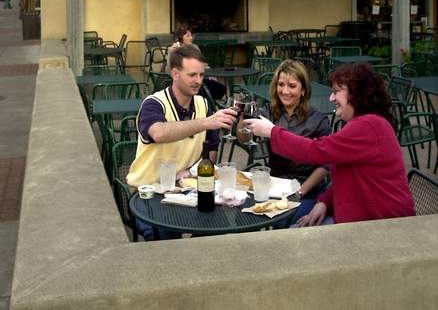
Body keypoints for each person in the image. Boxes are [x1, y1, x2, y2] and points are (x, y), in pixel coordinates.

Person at [243, 62, 415, 226]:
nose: (331, 98)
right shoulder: (362, 124)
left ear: (355, 93)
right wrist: (324, 202)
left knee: (291, 237)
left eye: (336, 91)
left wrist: (271, 131)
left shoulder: (369, 126)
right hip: (358, 219)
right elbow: (345, 173)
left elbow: (316, 151)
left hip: (384, 227)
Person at [127, 44, 236, 238]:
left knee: (220, 223)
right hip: (148, 194)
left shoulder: (202, 104)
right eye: (192, 75)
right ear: (175, 74)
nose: (198, 81)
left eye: (201, 75)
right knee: (167, 234)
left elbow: (210, 150)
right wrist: (205, 122)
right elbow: (159, 133)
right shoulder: (153, 103)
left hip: (185, 190)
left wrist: (194, 172)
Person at [251, 59, 331, 222]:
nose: (285, 91)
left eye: (292, 86)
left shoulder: (317, 119)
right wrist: (241, 120)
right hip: (275, 186)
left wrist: (300, 192)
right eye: (281, 85)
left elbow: (326, 164)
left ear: (303, 90)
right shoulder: (268, 112)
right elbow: (244, 138)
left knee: (284, 221)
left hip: (306, 189)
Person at [166, 25, 226, 100]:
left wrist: (210, 75)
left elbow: (203, 64)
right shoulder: (175, 50)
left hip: (201, 79)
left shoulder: (195, 47)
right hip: (184, 83)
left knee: (221, 88)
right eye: (188, 36)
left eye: (191, 35)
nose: (191, 38)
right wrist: (171, 53)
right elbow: (168, 70)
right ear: (179, 38)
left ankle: (208, 106)